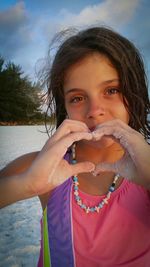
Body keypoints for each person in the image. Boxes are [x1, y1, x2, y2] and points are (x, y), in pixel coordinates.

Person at [0, 26, 150, 267]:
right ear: (65, 107)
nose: (95, 111)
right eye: (78, 98)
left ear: (135, 94)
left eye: (111, 90)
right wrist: (26, 184)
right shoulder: (41, 168)